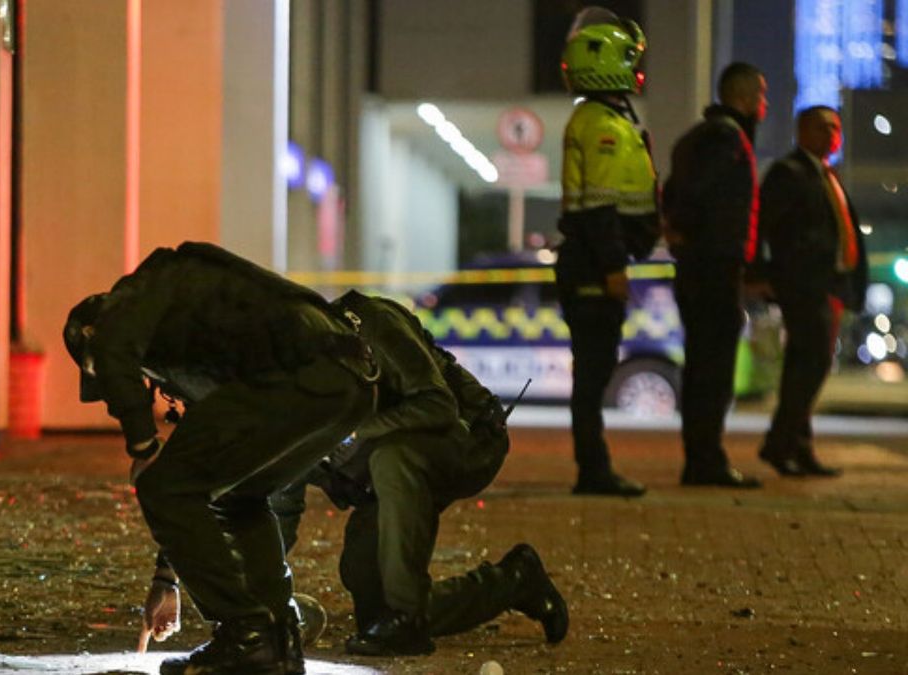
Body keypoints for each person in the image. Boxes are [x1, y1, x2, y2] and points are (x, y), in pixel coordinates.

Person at [62, 242, 377, 675]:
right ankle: (276, 641)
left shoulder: (127, 305)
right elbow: (202, 479)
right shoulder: (195, 333)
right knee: (236, 495)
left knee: (159, 484)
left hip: (300, 377)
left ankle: (247, 633)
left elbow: (116, 349)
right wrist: (165, 579)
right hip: (347, 384)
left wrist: (143, 445)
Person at [274, 291, 568, 657]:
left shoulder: (371, 326)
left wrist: (354, 429)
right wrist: (258, 603)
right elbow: (278, 502)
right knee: (370, 600)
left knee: (392, 459)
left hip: (468, 438)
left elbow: (437, 404)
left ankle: (406, 617)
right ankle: (514, 581)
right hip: (386, 472)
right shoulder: (284, 393)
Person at [555, 7, 660, 497]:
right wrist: (615, 268)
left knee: (594, 374)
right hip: (594, 269)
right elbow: (598, 208)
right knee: (594, 377)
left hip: (594, 265)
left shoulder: (609, 118)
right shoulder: (600, 124)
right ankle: (592, 471)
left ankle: (593, 468)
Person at [663, 62, 768, 488]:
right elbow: (700, 199)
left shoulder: (699, 137)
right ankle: (706, 461)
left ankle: (701, 458)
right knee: (713, 368)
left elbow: (674, 193)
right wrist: (703, 243)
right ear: (743, 98)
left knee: (702, 366)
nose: (765, 105)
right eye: (760, 95)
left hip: (701, 266)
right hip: (713, 269)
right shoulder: (726, 140)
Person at [755, 106, 868, 477]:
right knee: (811, 364)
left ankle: (797, 447)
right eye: (823, 127)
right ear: (802, 131)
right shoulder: (790, 173)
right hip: (803, 283)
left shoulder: (823, 174)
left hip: (826, 283)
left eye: (836, 127)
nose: (833, 134)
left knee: (805, 366)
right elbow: (771, 226)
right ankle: (780, 443)